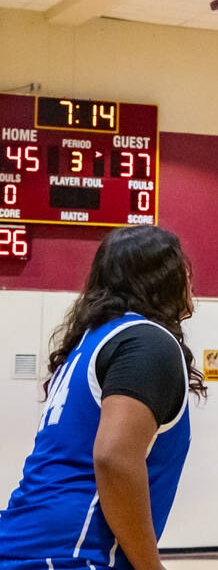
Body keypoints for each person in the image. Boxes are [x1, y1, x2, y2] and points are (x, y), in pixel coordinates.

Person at [0, 226, 204, 570]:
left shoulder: (91, 342)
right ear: (162, 277)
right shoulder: (147, 342)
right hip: (74, 555)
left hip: (27, 541)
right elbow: (113, 457)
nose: (189, 276)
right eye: (181, 267)